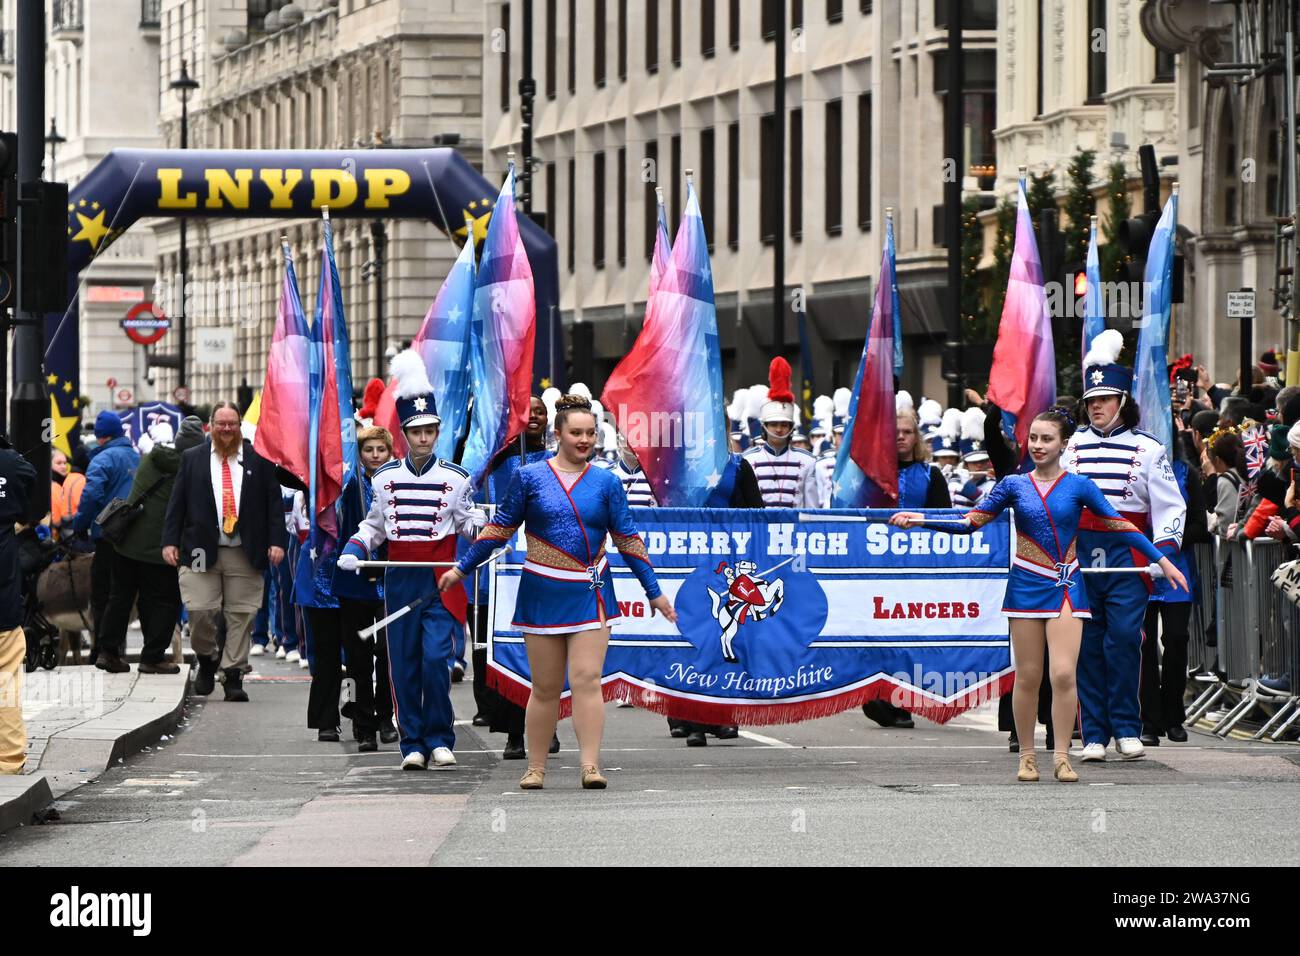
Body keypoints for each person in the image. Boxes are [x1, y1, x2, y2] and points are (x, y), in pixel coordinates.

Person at [892, 408, 1188, 782]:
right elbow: (971, 522)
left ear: (1065, 444)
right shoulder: (1014, 485)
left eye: (1047, 439)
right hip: (1026, 585)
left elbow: (1120, 525)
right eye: (1033, 438)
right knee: (1029, 676)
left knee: (1064, 674)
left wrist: (1163, 560)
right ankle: (1028, 756)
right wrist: (922, 520)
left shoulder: (1080, 485)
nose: (1038, 445)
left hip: (1065, 584)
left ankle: (1062, 756)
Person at [442, 394, 677, 790]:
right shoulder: (529, 476)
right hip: (542, 591)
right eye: (576, 433)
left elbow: (628, 540)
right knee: (546, 687)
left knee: (587, 679)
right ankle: (536, 766)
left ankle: (589, 765)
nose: (585, 440)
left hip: (591, 590)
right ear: (558, 434)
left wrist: (652, 590)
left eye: (590, 433)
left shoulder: (606, 482)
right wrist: (461, 567)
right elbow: (500, 529)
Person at [338, 351, 485, 770]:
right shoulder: (384, 479)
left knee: (437, 659)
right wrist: (354, 550)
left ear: (438, 432)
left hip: (441, 580)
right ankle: (412, 743)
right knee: (403, 663)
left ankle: (441, 736)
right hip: (401, 578)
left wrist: (480, 525)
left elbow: (466, 522)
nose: (423, 438)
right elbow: (373, 527)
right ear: (404, 433)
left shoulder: (456, 478)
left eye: (430, 431)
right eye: (416, 431)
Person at [1063, 330, 1187, 762]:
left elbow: (1171, 506)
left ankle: (1127, 727)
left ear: (1122, 401)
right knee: (1087, 646)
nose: (1096, 406)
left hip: (1128, 557)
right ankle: (1093, 733)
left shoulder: (1148, 447)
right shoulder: (1070, 446)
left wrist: (1163, 553)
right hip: (1079, 557)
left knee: (1123, 641)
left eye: (1105, 399)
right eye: (1091, 400)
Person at [162, 402, 286, 702]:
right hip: (201, 548)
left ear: (240, 425)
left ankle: (233, 674)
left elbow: (273, 504)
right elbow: (177, 501)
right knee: (200, 610)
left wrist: (277, 541)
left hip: (245, 549)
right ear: (211, 425)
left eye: (232, 424)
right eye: (221, 424)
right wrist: (170, 541)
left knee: (241, 615)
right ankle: (207, 659)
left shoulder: (260, 460)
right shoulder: (193, 458)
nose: (227, 429)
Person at [463, 395, 558, 760]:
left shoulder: (556, 461)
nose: (532, 416)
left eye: (539, 411)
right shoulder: (490, 462)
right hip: (499, 572)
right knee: (503, 653)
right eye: (526, 410)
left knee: (544, 655)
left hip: (543, 570)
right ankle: (514, 733)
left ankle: (544, 727)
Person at [863, 393, 952, 731]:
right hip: (876, 565)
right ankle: (880, 695)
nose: (900, 437)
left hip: (917, 567)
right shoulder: (868, 473)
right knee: (878, 632)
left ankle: (900, 700)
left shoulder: (931, 476)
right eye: (894, 432)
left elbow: (945, 520)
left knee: (909, 634)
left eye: (907, 432)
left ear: (917, 437)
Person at [99, 420, 203, 675]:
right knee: (163, 603)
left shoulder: (150, 458)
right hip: (159, 549)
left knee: (120, 598)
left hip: (126, 542)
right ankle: (153, 656)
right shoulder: (189, 471)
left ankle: (108, 652)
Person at [1140, 408, 1209, 746]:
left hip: (1177, 572)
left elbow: (1201, 524)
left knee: (1177, 642)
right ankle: (1149, 721)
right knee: (1144, 647)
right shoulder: (1134, 472)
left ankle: (1174, 716)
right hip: (1139, 570)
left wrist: (1169, 540)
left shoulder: (1186, 473)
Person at [334, 426, 397, 751]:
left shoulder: (399, 480)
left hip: (388, 579)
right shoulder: (349, 483)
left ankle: (386, 716)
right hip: (354, 580)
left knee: (387, 653)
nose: (375, 456)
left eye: (380, 450)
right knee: (357, 659)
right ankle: (363, 724)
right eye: (368, 450)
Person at [72, 410, 141, 671]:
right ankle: (118, 649)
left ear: (101, 437)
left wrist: (80, 526)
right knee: (124, 595)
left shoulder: (102, 458)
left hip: (108, 538)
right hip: (134, 539)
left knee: (102, 596)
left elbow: (91, 495)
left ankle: (101, 650)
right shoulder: (137, 457)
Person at [0, 432, 36, 774]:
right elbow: (29, 477)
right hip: (3, 601)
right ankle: (9, 761)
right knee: (6, 682)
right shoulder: (11, 463)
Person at [742, 358, 819, 508]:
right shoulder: (748, 460)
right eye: (773, 424)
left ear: (791, 427)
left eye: (784, 424)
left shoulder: (808, 461)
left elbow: (811, 509)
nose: (778, 429)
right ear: (764, 426)